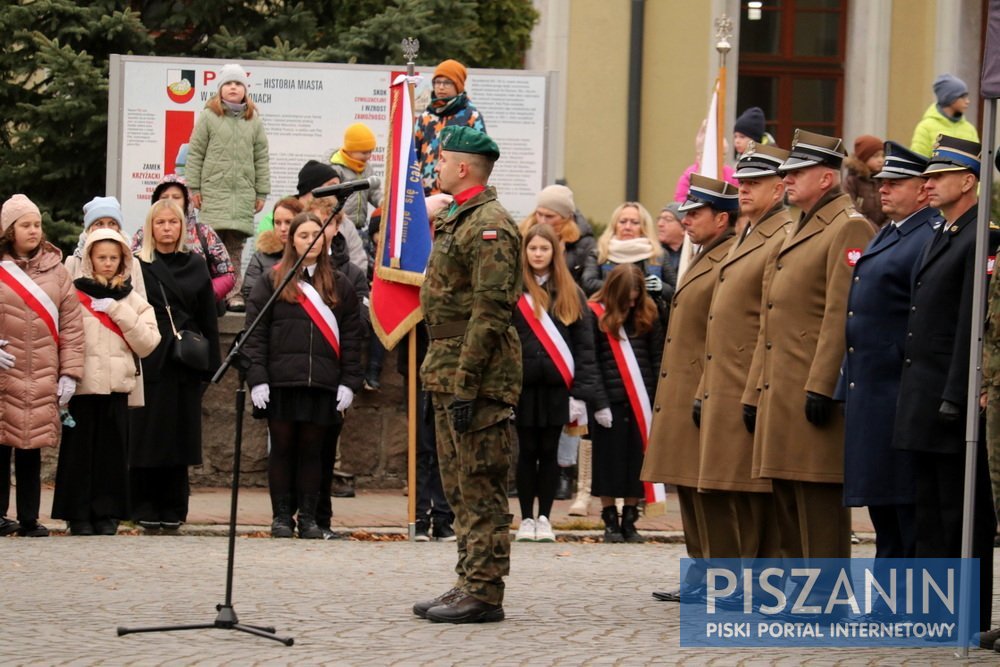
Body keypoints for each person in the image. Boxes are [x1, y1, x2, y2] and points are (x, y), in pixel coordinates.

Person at [747, 130, 875, 560]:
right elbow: (773, 315)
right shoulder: (800, 225)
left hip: (812, 386)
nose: (787, 180)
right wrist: (756, 390)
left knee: (815, 497)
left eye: (798, 173)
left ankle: (824, 596)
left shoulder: (848, 226)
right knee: (786, 491)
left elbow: (842, 312)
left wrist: (822, 384)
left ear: (825, 178)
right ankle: (799, 589)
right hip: (781, 387)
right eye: (786, 173)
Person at [412, 126, 520, 624]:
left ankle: (485, 590)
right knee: (458, 485)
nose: (436, 167)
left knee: (481, 482)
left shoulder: (491, 223)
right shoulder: (461, 217)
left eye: (443, 159)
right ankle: (467, 579)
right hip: (448, 365)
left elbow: (491, 309)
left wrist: (467, 381)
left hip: (477, 374)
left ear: (463, 167)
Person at [895, 135, 997, 636]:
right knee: (930, 510)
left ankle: (966, 615)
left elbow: (970, 325)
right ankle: (932, 613)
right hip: (923, 393)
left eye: (938, 176)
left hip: (949, 396)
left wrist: (957, 393)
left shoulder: (983, 237)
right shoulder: (945, 231)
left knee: (962, 514)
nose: (928, 183)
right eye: (928, 176)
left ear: (968, 181)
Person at [836, 141, 939, 560]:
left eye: (896, 183)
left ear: (922, 189)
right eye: (883, 182)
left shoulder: (927, 237)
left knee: (905, 508)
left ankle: (902, 608)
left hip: (899, 391)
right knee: (883, 509)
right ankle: (887, 605)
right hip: (873, 390)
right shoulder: (890, 233)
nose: (884, 190)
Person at [695, 146, 793, 582]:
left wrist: (755, 385)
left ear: (780, 187)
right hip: (725, 376)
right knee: (724, 485)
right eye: (742, 183)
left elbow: (769, 321)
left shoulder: (781, 234)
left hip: (749, 377)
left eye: (755, 183)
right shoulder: (749, 234)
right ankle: (736, 577)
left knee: (754, 491)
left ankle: (761, 577)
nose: (745, 190)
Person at [641, 174, 738, 598]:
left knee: (710, 490)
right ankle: (701, 571)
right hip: (685, 385)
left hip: (707, 386)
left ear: (721, 218)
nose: (686, 221)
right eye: (685, 214)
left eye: (695, 214)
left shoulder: (728, 256)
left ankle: (724, 576)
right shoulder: (702, 256)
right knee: (690, 487)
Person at [244, 212, 363, 539]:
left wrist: (349, 383)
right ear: (291, 240)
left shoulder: (341, 284)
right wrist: (258, 378)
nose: (310, 240)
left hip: (322, 383)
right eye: (303, 235)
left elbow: (354, 339)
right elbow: (255, 335)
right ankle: (282, 517)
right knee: (281, 449)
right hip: (281, 382)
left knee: (313, 451)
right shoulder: (272, 281)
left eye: (316, 234)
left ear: (325, 239)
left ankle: (309, 518)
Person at [50, 228, 161, 536]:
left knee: (112, 454)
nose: (108, 263)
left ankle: (107, 512)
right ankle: (78, 513)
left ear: (123, 260)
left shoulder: (132, 299)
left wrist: (117, 310)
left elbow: (149, 341)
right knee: (79, 453)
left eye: (114, 258)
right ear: (90, 259)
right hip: (83, 386)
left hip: (116, 387)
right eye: (102, 257)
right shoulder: (73, 293)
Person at [129, 199, 221, 531]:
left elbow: (207, 314)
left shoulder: (195, 264)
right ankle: (143, 503)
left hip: (185, 360)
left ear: (182, 227)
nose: (167, 228)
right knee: (148, 434)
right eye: (160, 222)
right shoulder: (139, 264)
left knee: (179, 436)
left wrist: (212, 366)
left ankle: (173, 507)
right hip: (152, 355)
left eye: (173, 222)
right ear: (150, 228)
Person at [0, 195, 85, 537]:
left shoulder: (58, 271)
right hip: (5, 371)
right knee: (1, 445)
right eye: (26, 225)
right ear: (9, 231)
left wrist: (70, 372)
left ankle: (30, 518)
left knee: (31, 448)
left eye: (37, 224)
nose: (34, 230)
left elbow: (73, 326)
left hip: (41, 373)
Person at [512, 224, 600, 542]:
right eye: (532, 248)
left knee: (549, 452)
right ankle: (525, 519)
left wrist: (580, 393)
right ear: (525, 252)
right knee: (525, 452)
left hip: (557, 388)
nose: (537, 254)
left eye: (543, 249)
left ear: (555, 252)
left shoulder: (570, 292)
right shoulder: (514, 289)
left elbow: (584, 347)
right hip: (523, 386)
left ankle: (545, 517)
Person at [184, 63, 271, 313]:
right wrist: (195, 188)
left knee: (234, 247)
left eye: (238, 84)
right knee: (209, 245)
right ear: (220, 89)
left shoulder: (253, 119)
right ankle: (209, 292)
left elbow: (261, 157)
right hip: (214, 192)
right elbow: (196, 153)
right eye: (229, 84)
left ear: (245, 89)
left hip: (242, 194)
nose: (234, 88)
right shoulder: (209, 116)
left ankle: (233, 293)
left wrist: (261, 192)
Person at [588, 263, 663, 544]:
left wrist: (656, 400)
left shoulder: (649, 312)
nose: (631, 302)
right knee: (607, 463)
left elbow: (657, 358)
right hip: (610, 401)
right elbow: (591, 361)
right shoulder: (595, 314)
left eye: (636, 296)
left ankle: (631, 518)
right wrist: (599, 402)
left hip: (641, 402)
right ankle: (609, 519)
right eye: (627, 297)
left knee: (637, 464)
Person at [131, 175, 236, 310]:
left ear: (186, 200)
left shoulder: (204, 232)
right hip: (155, 311)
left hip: (198, 311)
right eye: (164, 197)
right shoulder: (144, 233)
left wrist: (205, 295)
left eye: (176, 197)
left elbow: (227, 274)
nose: (170, 201)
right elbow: (131, 270)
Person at [582, 202, 676, 326]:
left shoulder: (658, 254)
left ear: (644, 227)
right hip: (608, 321)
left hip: (649, 322)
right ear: (614, 225)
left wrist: (660, 287)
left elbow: (675, 292)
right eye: (622, 221)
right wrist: (622, 287)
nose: (627, 227)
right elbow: (588, 283)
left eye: (635, 223)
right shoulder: (600, 253)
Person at [414, 59, 487, 195]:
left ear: (458, 85)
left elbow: (480, 159)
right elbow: (414, 154)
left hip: (458, 194)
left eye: (447, 82)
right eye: (437, 82)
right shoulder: (425, 117)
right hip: (425, 195)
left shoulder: (471, 116)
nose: (441, 87)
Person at [519, 184, 596, 287]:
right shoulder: (523, 234)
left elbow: (586, 283)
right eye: (539, 214)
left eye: (549, 216)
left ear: (566, 217)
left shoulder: (584, 243)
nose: (542, 221)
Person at [67, 196, 146, 296]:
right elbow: (67, 304)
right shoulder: (74, 262)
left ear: (119, 228)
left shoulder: (132, 263)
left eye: (112, 223)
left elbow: (142, 306)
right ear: (89, 228)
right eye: (99, 223)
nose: (106, 228)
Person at [242, 197, 303, 301]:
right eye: (277, 223)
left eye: (288, 222)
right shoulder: (260, 256)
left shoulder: (311, 253)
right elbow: (250, 293)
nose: (282, 228)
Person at [329, 123, 383, 234]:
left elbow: (373, 191)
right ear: (350, 150)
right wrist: (339, 214)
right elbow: (330, 197)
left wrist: (383, 202)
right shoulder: (337, 169)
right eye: (364, 152)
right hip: (340, 225)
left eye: (370, 152)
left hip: (359, 226)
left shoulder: (367, 168)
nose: (368, 156)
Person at [910, 73, 979, 157]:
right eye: (962, 96)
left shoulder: (970, 129)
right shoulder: (925, 127)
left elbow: (977, 161)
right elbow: (918, 160)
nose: (968, 101)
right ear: (949, 98)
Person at [843, 135, 888, 228]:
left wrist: (885, 228)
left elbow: (893, 205)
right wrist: (871, 227)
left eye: (882, 156)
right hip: (862, 230)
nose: (881, 160)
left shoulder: (885, 179)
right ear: (864, 158)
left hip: (884, 231)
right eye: (876, 156)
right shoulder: (852, 181)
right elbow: (851, 207)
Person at [655, 203, 685, 276]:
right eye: (659, 219)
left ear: (684, 228)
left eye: (668, 219)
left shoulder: (693, 254)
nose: (660, 224)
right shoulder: (653, 253)